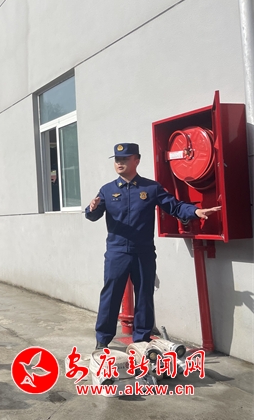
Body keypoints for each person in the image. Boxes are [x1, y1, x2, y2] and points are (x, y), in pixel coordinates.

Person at [85, 143, 221, 349]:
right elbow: (93, 215)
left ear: (137, 160)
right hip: (116, 252)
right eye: (117, 159)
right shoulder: (107, 190)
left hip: (143, 253)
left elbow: (174, 206)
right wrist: (91, 209)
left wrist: (195, 212)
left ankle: (141, 340)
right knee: (110, 295)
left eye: (125, 159)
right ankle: (102, 340)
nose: (120, 163)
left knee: (144, 296)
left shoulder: (150, 188)